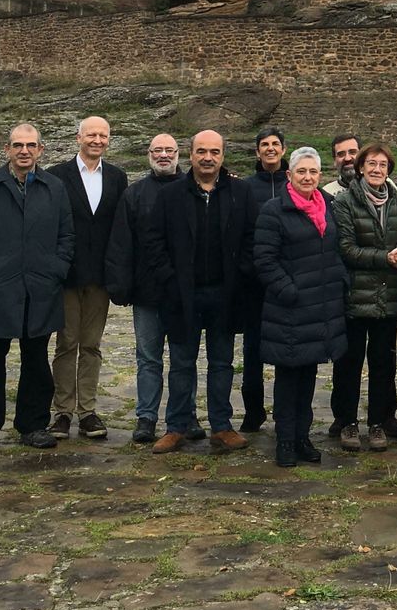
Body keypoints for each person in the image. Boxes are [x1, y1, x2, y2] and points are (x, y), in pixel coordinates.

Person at [0, 123, 74, 451]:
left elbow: (66, 235)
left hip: (40, 287)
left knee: (36, 361)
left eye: (31, 145)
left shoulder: (55, 187)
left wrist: (56, 269)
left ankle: (33, 425)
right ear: (7, 149)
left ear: (41, 150)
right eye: (17, 145)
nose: (24, 151)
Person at [143, 130, 253, 455]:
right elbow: (153, 241)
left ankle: (221, 426)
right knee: (181, 363)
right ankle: (176, 427)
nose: (208, 158)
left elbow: (251, 238)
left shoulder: (241, 193)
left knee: (221, 363)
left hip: (224, 292)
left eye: (214, 152)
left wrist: (241, 276)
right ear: (190, 154)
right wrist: (168, 279)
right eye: (201, 151)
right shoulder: (170, 195)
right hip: (181, 294)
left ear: (222, 155)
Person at [255, 147, 349, 467]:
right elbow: (264, 260)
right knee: (288, 377)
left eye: (313, 172)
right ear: (289, 175)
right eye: (301, 172)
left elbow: (334, 251)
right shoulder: (274, 210)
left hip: (320, 307)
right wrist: (289, 290)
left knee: (308, 374)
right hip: (290, 308)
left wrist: (339, 282)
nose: (307, 177)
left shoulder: (329, 206)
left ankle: (302, 437)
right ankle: (284, 440)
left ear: (320, 176)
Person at [46, 116, 128, 439]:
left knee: (91, 345)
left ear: (109, 140)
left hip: (100, 277)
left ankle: (88, 411)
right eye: (91, 134)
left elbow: (121, 226)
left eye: (103, 135)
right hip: (67, 274)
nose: (97, 140)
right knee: (66, 344)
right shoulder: (57, 176)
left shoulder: (118, 178)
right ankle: (63, 411)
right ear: (78, 137)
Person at [330, 143, 397, 451]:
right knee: (348, 364)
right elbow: (347, 249)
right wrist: (385, 258)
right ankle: (347, 422)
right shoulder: (345, 201)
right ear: (361, 167)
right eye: (372, 164)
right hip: (355, 296)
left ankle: (378, 422)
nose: (377, 169)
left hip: (387, 296)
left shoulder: (396, 203)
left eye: (383, 165)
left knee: (383, 364)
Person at [104, 133, 183, 444]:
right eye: (157, 150)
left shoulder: (191, 189)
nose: (163, 155)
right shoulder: (135, 194)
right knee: (148, 359)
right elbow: (121, 244)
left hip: (181, 294)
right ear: (149, 154)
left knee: (182, 360)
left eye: (169, 150)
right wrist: (121, 288)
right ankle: (146, 417)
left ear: (179, 154)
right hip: (147, 295)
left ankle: (183, 417)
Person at [238, 128, 287, 434]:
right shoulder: (244, 188)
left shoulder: (293, 184)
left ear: (284, 150)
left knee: (285, 352)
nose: (270, 149)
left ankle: (284, 412)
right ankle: (253, 411)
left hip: (285, 283)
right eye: (264, 145)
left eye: (275, 144)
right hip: (253, 283)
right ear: (257, 152)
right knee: (252, 352)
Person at [324, 134, 360, 198]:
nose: (347, 158)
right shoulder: (326, 194)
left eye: (352, 152)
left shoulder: (378, 189)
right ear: (334, 160)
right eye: (341, 154)